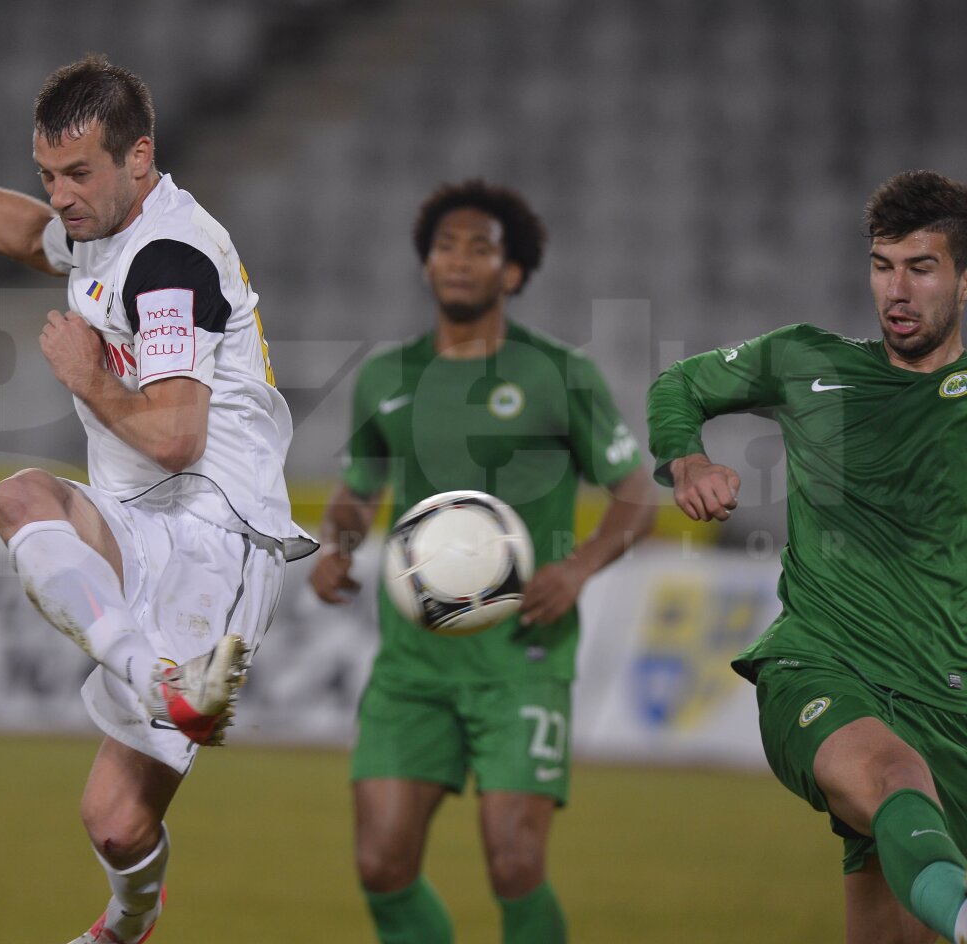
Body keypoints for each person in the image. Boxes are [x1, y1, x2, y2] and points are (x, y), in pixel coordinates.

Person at [0, 55, 315, 944]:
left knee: (116, 823)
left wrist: (88, 376)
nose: (60, 196)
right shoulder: (103, 224)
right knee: (23, 498)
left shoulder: (168, 261)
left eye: (78, 174)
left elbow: (176, 437)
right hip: (143, 516)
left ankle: (128, 911)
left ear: (140, 157)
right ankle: (157, 692)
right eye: (48, 174)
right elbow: (32, 236)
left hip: (216, 533)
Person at [310, 179, 657, 943]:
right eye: (445, 246)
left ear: (514, 271)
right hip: (413, 661)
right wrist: (338, 545)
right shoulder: (386, 376)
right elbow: (358, 490)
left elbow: (637, 495)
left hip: (521, 656)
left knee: (514, 860)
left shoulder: (559, 374)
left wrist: (577, 569)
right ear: (426, 263)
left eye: (480, 248)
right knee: (381, 863)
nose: (459, 260)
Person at [646, 169, 967, 944]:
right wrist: (688, 461)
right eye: (882, 266)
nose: (896, 290)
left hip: (942, 698)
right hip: (818, 666)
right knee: (894, 775)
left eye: (921, 268)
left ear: (964, 279)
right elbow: (678, 384)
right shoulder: (805, 361)